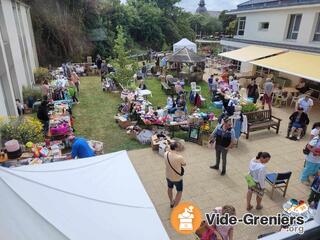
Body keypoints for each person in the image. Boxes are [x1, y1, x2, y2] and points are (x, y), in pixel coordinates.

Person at [164, 142, 186, 208]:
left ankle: (171, 202)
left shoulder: (166, 154)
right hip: (177, 178)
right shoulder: (179, 157)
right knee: (179, 191)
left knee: (169, 188)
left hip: (168, 176)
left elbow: (167, 148)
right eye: (178, 146)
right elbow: (184, 164)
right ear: (176, 148)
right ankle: (176, 206)